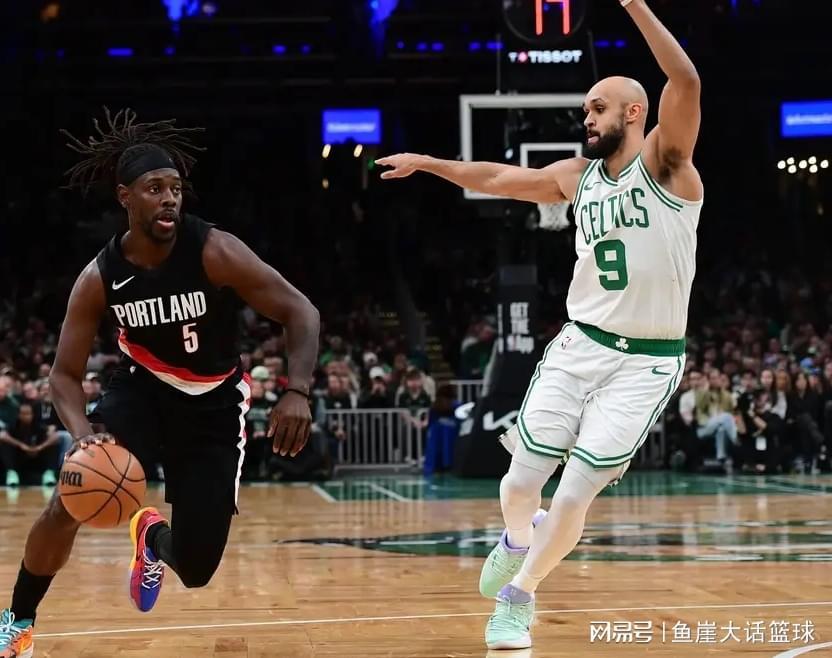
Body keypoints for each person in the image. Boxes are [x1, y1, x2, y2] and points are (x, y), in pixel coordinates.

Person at [378, 0, 703, 649]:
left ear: (633, 112)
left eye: (598, 108)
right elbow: (499, 177)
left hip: (647, 361)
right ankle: (515, 537)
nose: (587, 118)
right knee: (520, 484)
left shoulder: (667, 165)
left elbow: (686, 80)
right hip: (580, 344)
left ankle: (518, 597)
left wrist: (634, 5)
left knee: (576, 492)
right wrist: (429, 161)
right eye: (585, 110)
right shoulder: (575, 178)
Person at [0, 108, 320, 657]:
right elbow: (64, 376)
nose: (169, 199)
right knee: (67, 503)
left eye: (175, 188)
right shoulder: (100, 277)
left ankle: (148, 535)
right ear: (125, 197)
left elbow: (301, 311)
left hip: (214, 407)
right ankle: (18, 621)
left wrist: (298, 389)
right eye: (155, 189)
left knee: (196, 569)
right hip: (140, 394)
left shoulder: (214, 250)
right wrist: (83, 437)